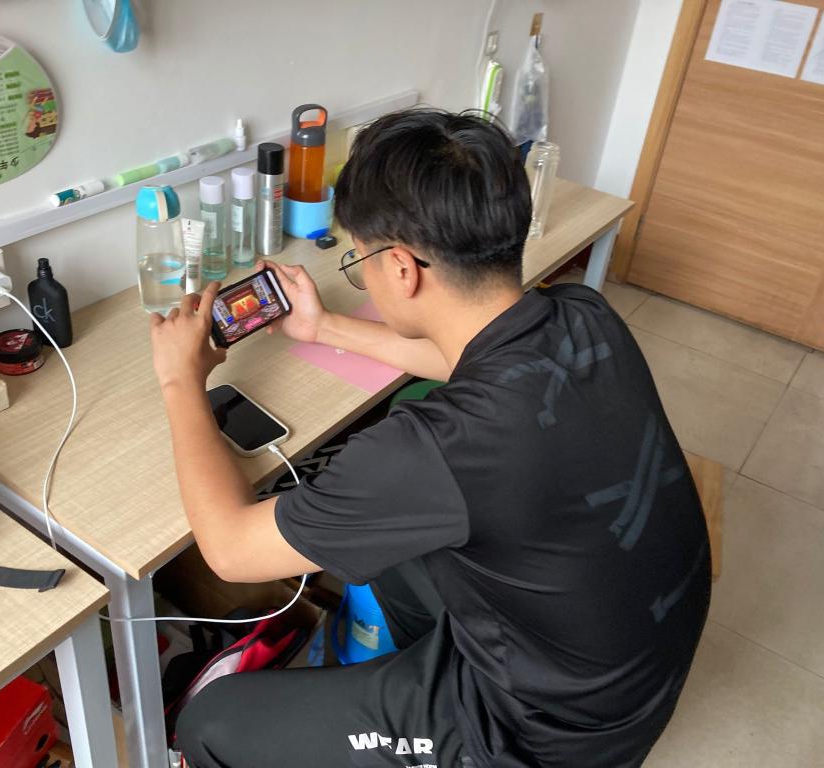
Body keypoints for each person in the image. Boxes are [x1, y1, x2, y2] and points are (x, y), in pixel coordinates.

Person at [149, 109, 710, 768]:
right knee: (392, 562)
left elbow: (228, 549)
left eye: (359, 260)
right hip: (631, 666)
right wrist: (324, 328)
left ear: (402, 268)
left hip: (542, 735)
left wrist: (180, 380)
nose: (363, 274)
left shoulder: (434, 450)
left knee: (212, 722)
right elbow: (463, 357)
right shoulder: (582, 312)